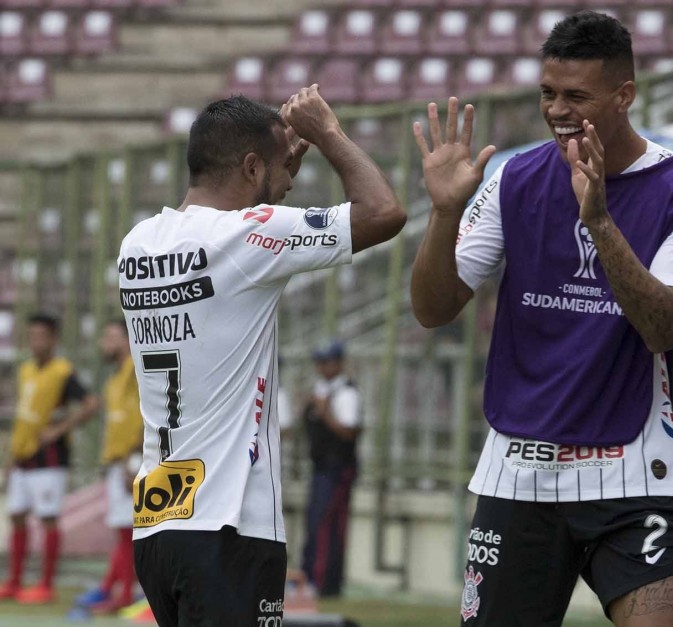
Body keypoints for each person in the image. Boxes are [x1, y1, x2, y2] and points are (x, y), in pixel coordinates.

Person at [410, 11, 673, 626]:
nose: (556, 109)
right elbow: (433, 308)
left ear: (624, 95)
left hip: (634, 470)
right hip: (517, 470)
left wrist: (600, 223)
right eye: (548, 93)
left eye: (576, 96)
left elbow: (664, 328)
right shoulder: (513, 178)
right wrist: (444, 212)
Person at [120, 90, 405, 627]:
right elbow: (385, 213)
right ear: (251, 168)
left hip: (158, 524)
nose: (292, 180)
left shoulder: (138, 243)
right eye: (280, 169)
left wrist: (269, 172)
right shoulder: (249, 235)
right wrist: (327, 134)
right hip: (231, 526)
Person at [0, 313, 98, 603]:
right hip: (22, 457)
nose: (35, 342)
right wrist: (9, 460)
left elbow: (91, 404)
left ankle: (46, 584)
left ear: (54, 339)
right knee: (16, 514)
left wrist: (58, 429)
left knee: (47, 518)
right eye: (31, 336)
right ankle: (15, 581)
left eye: (41, 336)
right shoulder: (27, 370)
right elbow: (23, 418)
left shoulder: (62, 371)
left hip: (50, 458)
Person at [74, 320, 144, 613]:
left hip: (134, 461)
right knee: (123, 531)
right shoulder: (113, 380)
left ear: (128, 341)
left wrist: (133, 461)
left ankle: (124, 594)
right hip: (117, 463)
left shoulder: (136, 371)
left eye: (111, 336)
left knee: (129, 532)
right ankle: (111, 589)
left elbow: (146, 413)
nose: (104, 341)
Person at [299, 340, 362, 598]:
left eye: (327, 362)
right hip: (320, 465)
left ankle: (323, 581)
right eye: (320, 362)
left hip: (337, 467)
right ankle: (309, 577)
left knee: (328, 523)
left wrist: (325, 413)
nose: (322, 368)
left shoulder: (346, 394)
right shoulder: (320, 391)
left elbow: (349, 431)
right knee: (315, 521)